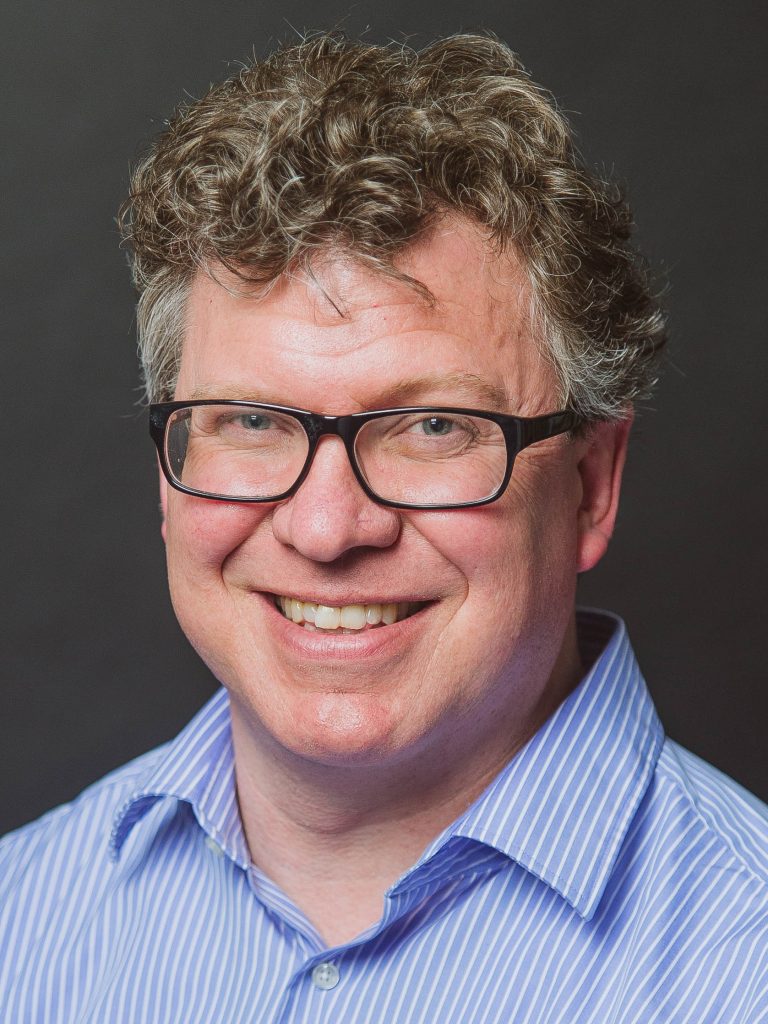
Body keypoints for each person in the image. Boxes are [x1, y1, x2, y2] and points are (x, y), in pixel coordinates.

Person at [1, 31, 766, 1023]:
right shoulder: (20, 925)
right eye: (251, 421)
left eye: (433, 426)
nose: (327, 528)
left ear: (592, 484)